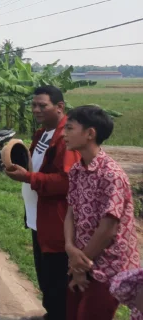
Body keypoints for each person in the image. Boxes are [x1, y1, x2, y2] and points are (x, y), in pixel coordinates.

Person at [4, 85, 79, 320]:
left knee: (57, 280)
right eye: (33, 105)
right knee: (46, 277)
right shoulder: (42, 134)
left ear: (59, 107)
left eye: (42, 105)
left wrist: (28, 177)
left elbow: (66, 182)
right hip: (39, 219)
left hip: (56, 223)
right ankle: (51, 314)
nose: (36, 110)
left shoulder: (66, 138)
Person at [64, 105, 139, 320]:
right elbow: (71, 211)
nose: (64, 134)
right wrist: (70, 248)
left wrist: (81, 263)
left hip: (107, 266)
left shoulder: (111, 175)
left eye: (69, 128)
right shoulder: (77, 170)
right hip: (79, 259)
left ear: (90, 134)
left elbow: (108, 228)